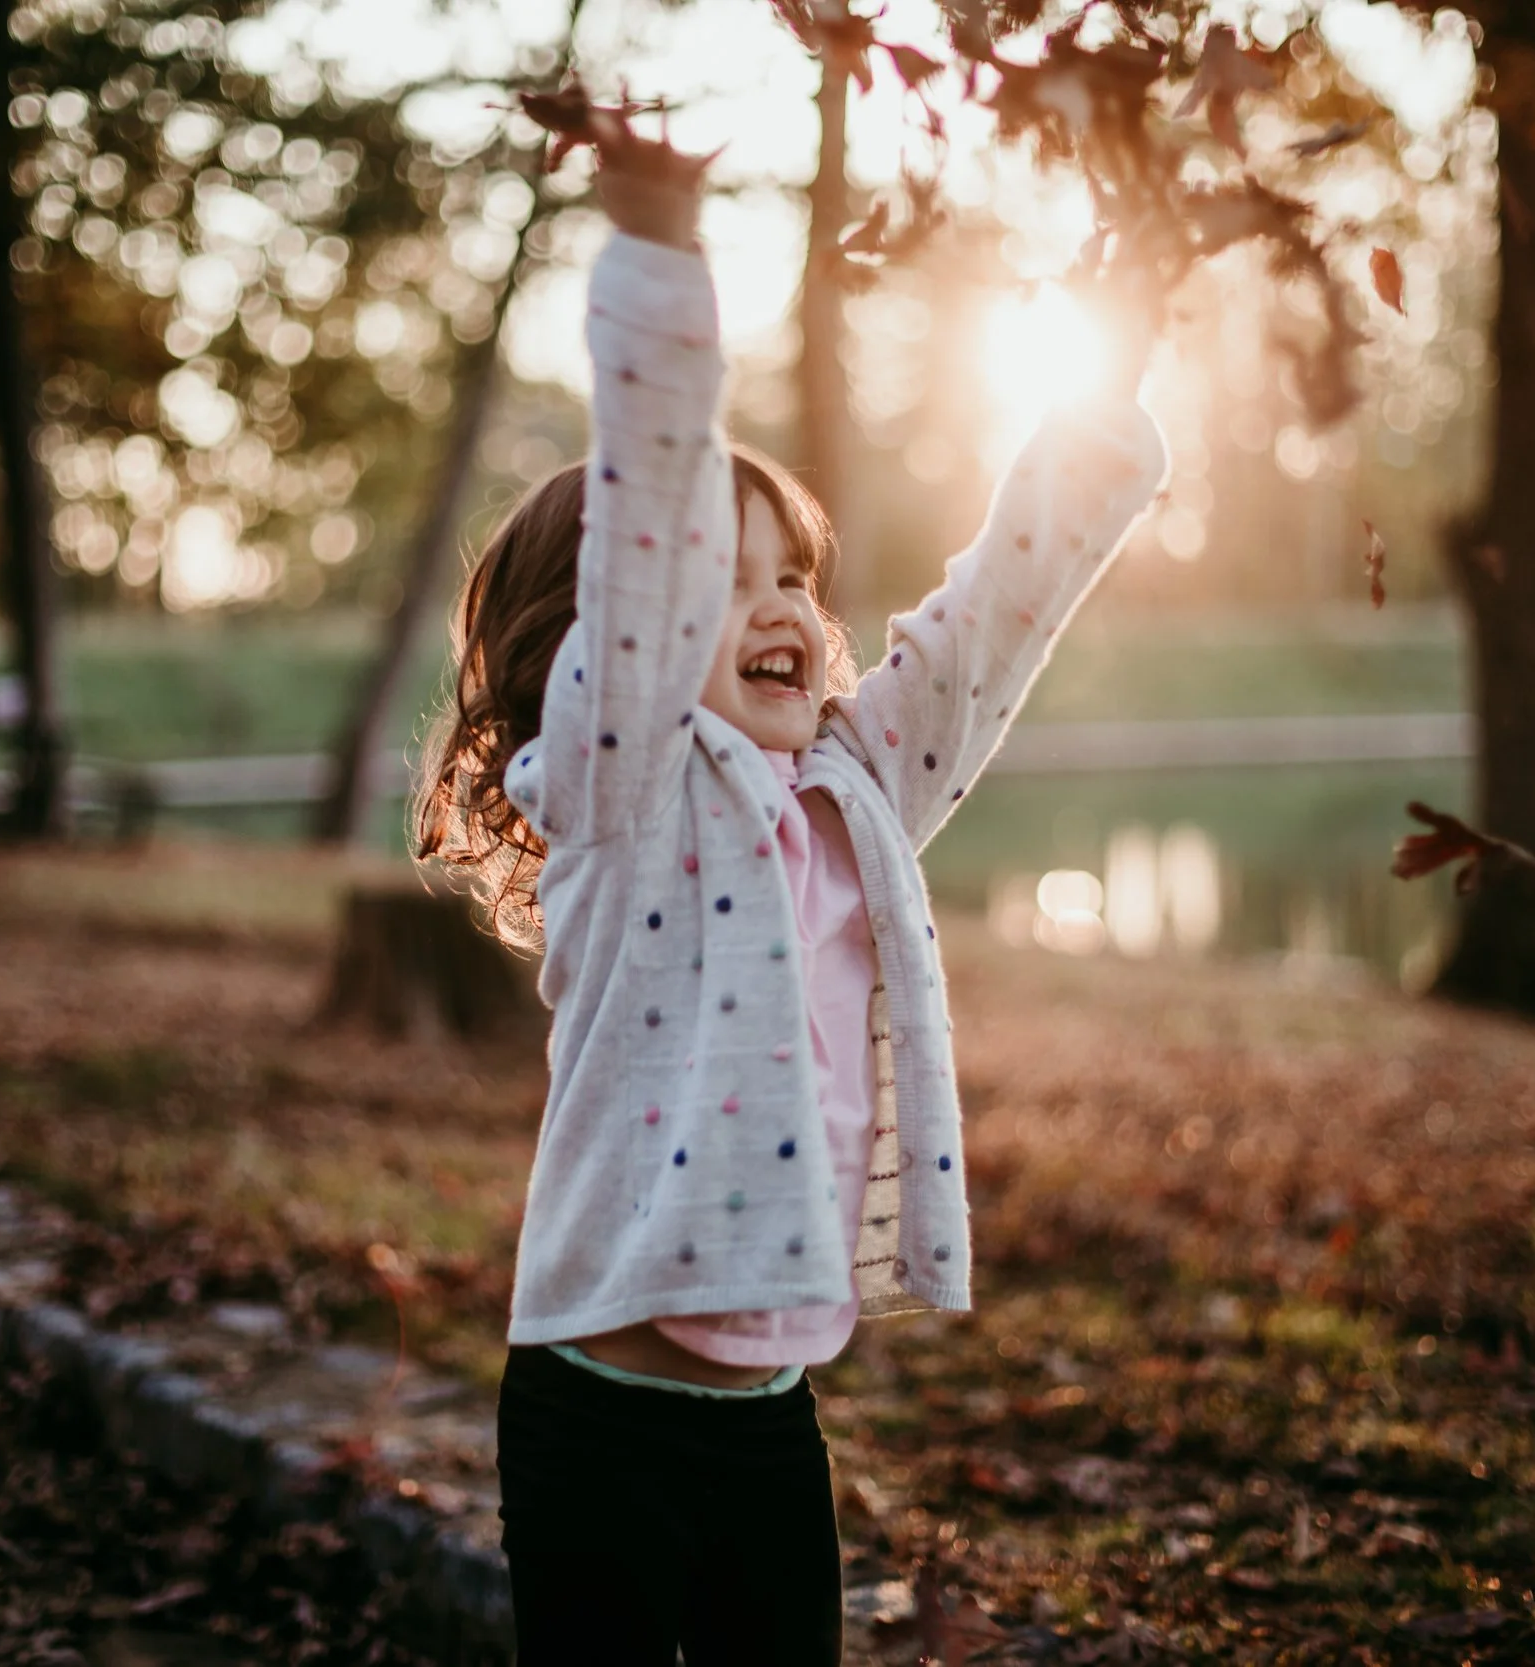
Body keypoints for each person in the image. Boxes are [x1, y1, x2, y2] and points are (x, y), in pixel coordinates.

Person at [413, 105, 1168, 1667]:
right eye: (723, 576)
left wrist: (1113, 374)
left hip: (769, 1422)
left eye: (795, 579)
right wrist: (663, 263)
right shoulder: (623, 791)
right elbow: (646, 520)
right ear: (604, 650)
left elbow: (985, 628)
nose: (780, 612)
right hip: (599, 1418)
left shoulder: (854, 793)